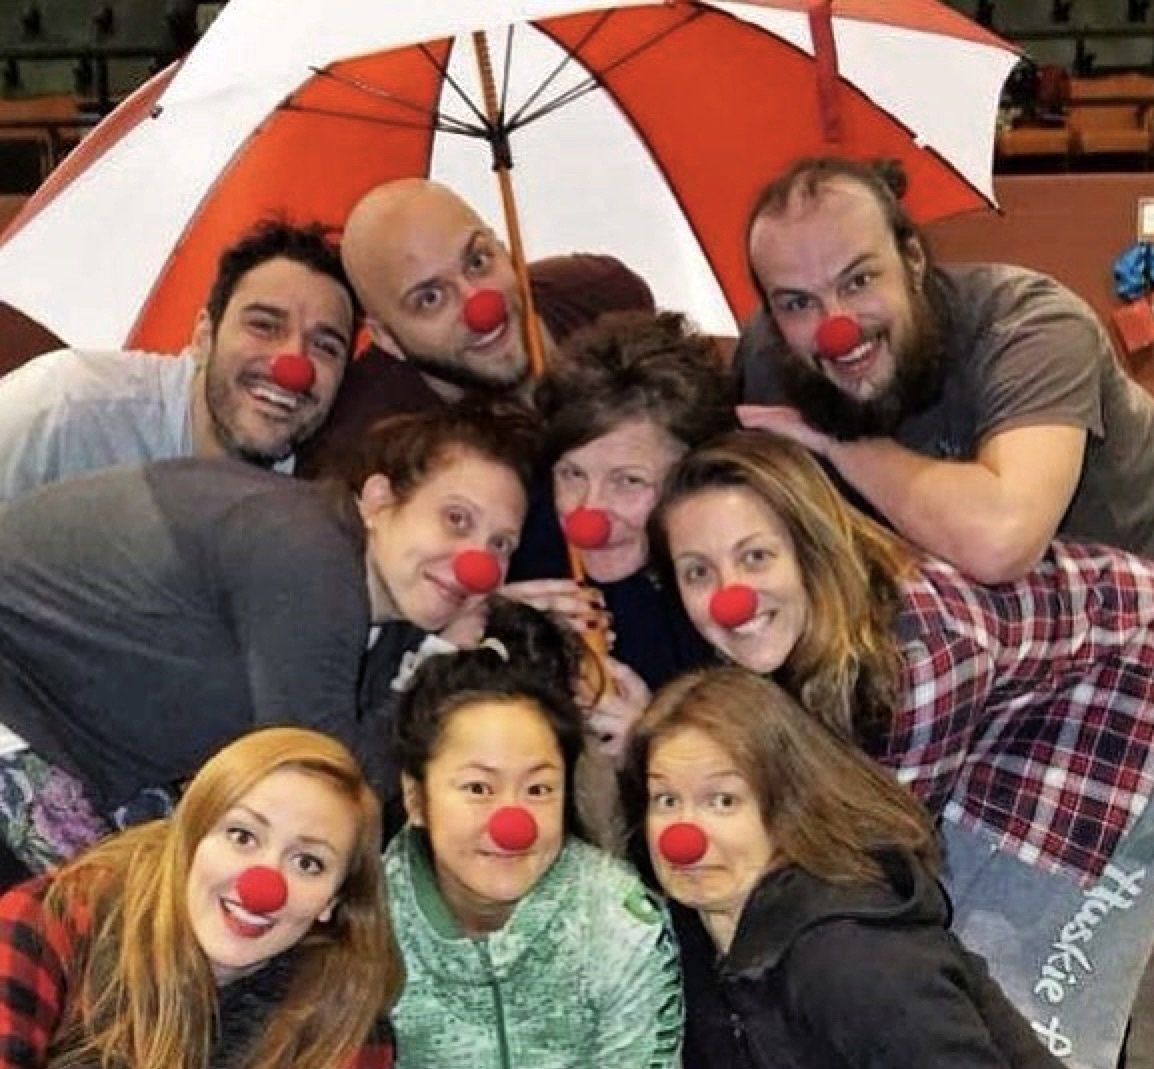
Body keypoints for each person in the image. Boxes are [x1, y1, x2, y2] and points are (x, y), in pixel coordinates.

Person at [652, 428, 1154, 1069]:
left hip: (1122, 690)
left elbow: (870, 846)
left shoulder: (918, 659)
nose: (730, 593)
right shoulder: (784, 636)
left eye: (755, 558)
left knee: (1024, 982)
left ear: (810, 549)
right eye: (699, 571)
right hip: (1006, 710)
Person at [0, 398, 540, 883]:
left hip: (89, 760)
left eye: (500, 545)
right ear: (377, 501)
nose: (477, 565)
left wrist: (433, 658)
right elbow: (323, 788)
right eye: (455, 519)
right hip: (20, 719)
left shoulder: (389, 617)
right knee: (115, 948)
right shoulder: (307, 552)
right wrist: (435, 665)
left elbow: (365, 788)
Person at [733, 155, 1154, 583]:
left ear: (913, 260)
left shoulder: (1029, 324)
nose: (835, 328)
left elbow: (1001, 542)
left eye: (858, 281)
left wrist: (838, 444)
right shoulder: (769, 360)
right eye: (798, 303)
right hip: (963, 631)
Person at [624, 666, 1066, 1069]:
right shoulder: (694, 939)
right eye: (666, 800)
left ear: (788, 806)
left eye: (723, 801)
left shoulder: (852, 963)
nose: (683, 837)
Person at [382, 599, 683, 1068]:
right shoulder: (368, 925)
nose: (512, 823)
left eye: (539, 788)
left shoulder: (617, 917)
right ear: (417, 799)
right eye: (479, 787)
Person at [0, 725, 399, 1069]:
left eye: (308, 863)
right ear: (189, 839)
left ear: (333, 900)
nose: (263, 886)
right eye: (242, 836)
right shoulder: (51, 920)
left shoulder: (345, 1026)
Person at [296, 177, 655, 476]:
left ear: (503, 246)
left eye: (478, 261)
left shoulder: (605, 297)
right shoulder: (361, 454)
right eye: (430, 298)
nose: (481, 306)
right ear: (387, 339)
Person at [505, 309, 734, 761]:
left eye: (628, 481)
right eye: (571, 473)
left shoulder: (731, 585)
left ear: (693, 475)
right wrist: (489, 626)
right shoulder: (515, 533)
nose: (586, 513)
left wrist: (654, 746)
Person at [0, 218, 358, 503]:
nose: (293, 367)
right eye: (264, 326)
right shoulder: (62, 408)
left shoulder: (329, 490)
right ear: (203, 335)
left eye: (325, 347)